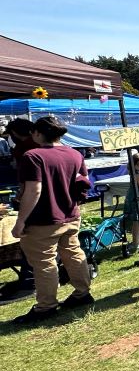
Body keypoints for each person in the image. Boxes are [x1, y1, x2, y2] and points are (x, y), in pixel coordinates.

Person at [9, 116, 93, 323]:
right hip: (70, 215)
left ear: (37, 133)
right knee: (73, 253)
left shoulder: (33, 156)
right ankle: (82, 292)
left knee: (44, 262)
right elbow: (83, 182)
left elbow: (34, 190)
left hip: (43, 219)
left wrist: (20, 221)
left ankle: (46, 306)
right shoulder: (74, 153)